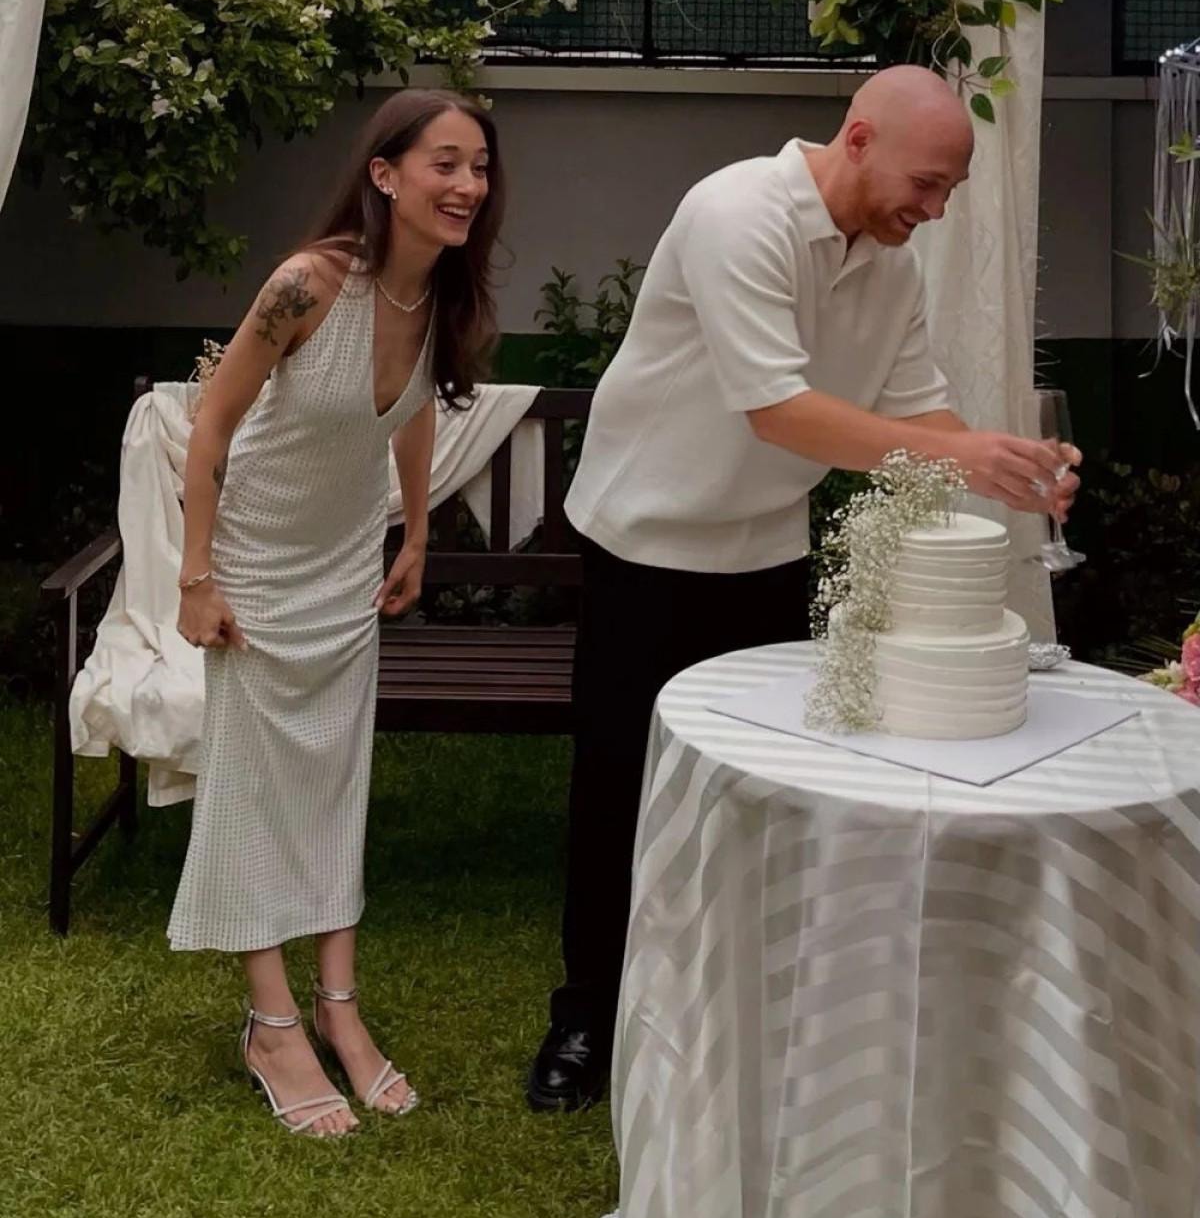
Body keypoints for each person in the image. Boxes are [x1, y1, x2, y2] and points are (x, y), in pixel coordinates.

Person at [527, 65, 1080, 1113]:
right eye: (927, 183)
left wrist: (1011, 462)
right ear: (858, 139)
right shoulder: (738, 213)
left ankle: (734, 1000)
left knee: (761, 790)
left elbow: (919, 413)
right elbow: (776, 409)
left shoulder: (891, 268)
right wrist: (962, 458)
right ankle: (587, 1017)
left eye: (951, 191)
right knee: (622, 791)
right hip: (647, 545)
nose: (936, 210)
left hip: (768, 548)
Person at [169, 88, 503, 1137]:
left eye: (480, 166)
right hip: (259, 568)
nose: (468, 185)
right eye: (446, 163)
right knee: (256, 787)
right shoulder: (307, 285)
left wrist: (417, 533)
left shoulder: (442, 296)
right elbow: (212, 425)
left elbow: (409, 413)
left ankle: (339, 1007)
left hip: (346, 569)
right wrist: (195, 577)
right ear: (385, 175)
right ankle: (272, 1025)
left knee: (334, 782)